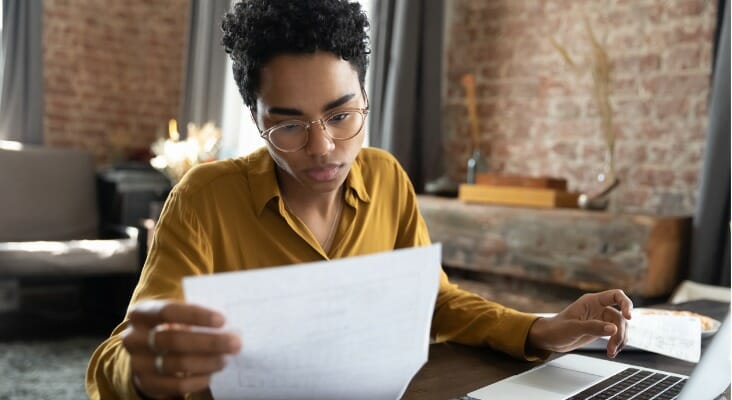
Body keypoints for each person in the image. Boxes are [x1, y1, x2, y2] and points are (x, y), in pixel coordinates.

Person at [86, 1, 633, 399]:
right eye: (289, 125)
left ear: (366, 99)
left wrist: (540, 328)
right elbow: (114, 358)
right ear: (256, 120)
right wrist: (140, 372)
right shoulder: (203, 199)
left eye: (342, 115)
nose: (323, 148)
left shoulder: (389, 179)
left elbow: (433, 302)